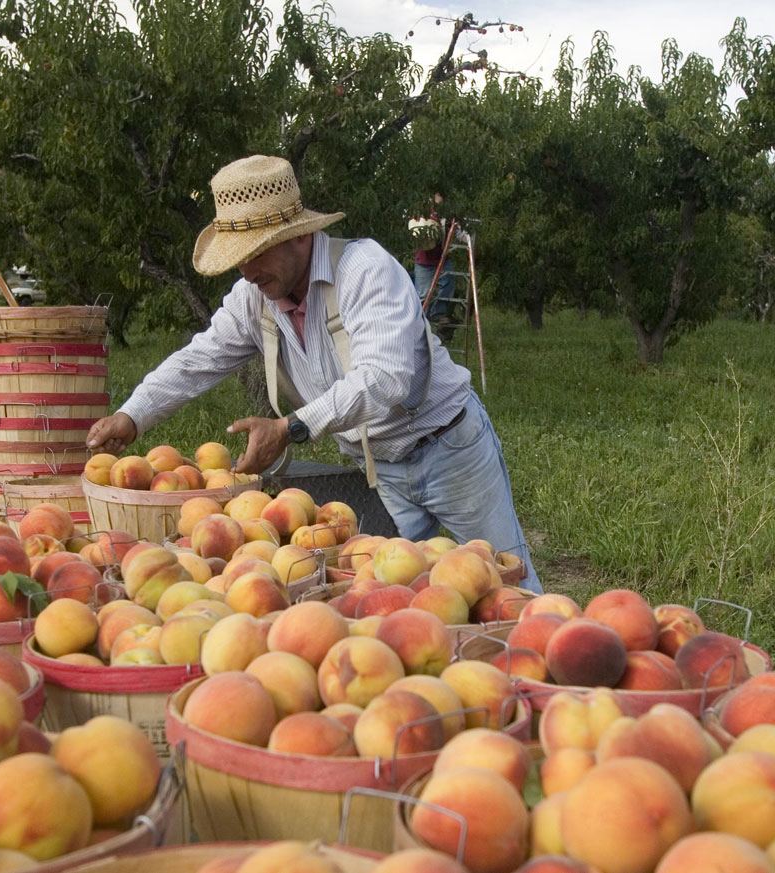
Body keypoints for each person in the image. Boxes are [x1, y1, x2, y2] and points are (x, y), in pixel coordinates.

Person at [86, 155, 541, 592]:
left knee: (508, 583)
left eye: (257, 252)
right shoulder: (255, 297)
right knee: (405, 599)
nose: (246, 271)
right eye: (237, 258)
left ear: (299, 237)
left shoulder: (364, 270)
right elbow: (198, 359)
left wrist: (290, 427)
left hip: (448, 448)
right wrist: (133, 415)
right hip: (377, 468)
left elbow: (385, 378)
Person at [411, 193, 456, 341]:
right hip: (424, 260)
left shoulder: (448, 212)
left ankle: (439, 313)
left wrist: (464, 238)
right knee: (422, 295)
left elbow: (456, 228)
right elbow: (414, 230)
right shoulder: (421, 209)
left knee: (448, 281)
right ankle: (419, 325)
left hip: (442, 257)